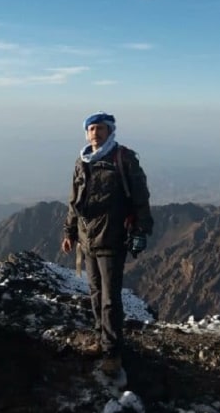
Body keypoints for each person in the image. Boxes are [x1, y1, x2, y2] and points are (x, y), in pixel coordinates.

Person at [61, 112, 153, 377]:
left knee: (111, 297)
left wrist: (141, 230)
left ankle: (112, 352)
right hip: (87, 239)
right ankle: (102, 340)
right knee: (95, 292)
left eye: (100, 128)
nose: (95, 133)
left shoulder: (123, 159)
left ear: (110, 131)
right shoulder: (83, 161)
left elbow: (140, 198)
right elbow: (74, 200)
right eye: (91, 129)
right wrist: (69, 232)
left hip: (112, 238)